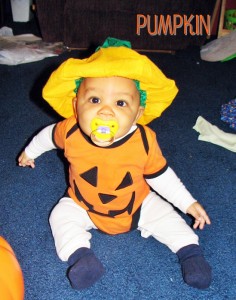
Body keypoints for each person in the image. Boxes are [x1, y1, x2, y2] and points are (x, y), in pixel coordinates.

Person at [18, 37, 211, 290]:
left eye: (120, 103)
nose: (105, 112)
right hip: (83, 203)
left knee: (167, 217)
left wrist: (188, 202)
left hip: (136, 204)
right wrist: (30, 152)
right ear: (76, 106)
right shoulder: (69, 131)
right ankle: (81, 257)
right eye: (95, 100)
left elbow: (161, 176)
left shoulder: (144, 140)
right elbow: (47, 137)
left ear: (138, 114)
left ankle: (191, 254)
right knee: (60, 215)